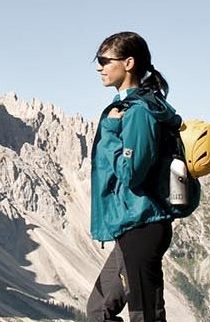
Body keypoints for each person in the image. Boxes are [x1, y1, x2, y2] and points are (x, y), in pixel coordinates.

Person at [87, 31, 192, 322]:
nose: (99, 67)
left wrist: (109, 132)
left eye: (104, 60)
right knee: (98, 310)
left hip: (142, 224)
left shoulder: (139, 112)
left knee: (145, 315)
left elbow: (132, 174)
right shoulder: (132, 108)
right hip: (131, 225)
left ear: (129, 63)